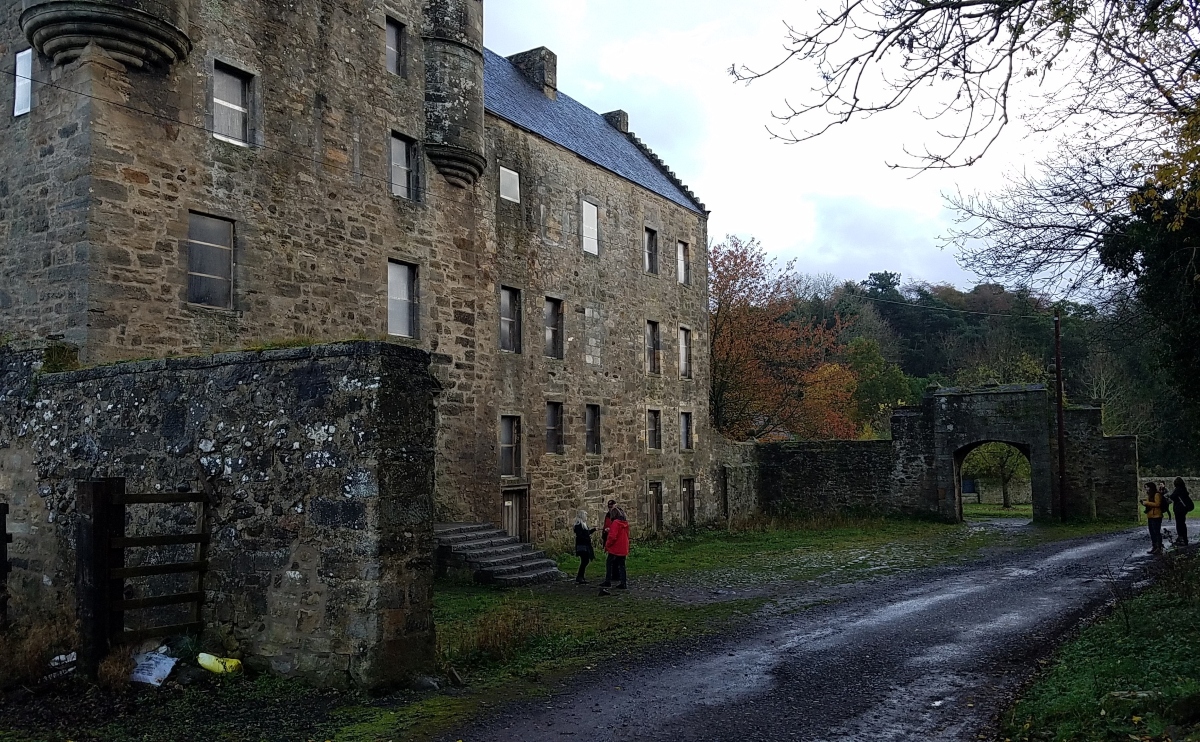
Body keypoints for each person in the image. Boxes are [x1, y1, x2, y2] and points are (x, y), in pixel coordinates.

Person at [599, 508, 629, 596]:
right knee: (622, 565)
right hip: (623, 547)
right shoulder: (625, 523)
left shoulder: (615, 523)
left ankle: (608, 581)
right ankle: (623, 582)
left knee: (609, 563)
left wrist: (607, 545)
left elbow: (612, 537)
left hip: (615, 547)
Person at [1169, 477, 1194, 548]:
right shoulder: (1184, 489)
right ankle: (1184, 539)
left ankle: (1181, 539)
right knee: (1182, 523)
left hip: (1179, 509)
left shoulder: (1178, 489)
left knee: (1179, 524)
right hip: (1184, 509)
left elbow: (1172, 496)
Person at [1142, 481, 1166, 555]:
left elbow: (1157, 504)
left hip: (1156, 515)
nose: (1146, 489)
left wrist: (1146, 503)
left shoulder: (1157, 494)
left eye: (1147, 487)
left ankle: (1159, 547)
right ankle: (1154, 546)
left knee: (1156, 532)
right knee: (1152, 532)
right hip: (1151, 515)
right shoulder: (1150, 495)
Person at [573, 510, 596, 584]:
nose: (586, 517)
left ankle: (581, 576)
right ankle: (580, 577)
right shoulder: (578, 525)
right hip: (582, 545)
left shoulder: (583, 525)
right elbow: (580, 536)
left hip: (585, 545)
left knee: (585, 561)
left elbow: (587, 533)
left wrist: (593, 530)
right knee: (585, 560)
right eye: (585, 516)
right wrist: (587, 539)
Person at [600, 500, 617, 587]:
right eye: (609, 507)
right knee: (612, 560)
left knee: (614, 560)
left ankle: (612, 578)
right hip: (608, 538)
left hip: (614, 540)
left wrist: (610, 530)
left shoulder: (617, 515)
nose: (610, 508)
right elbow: (606, 525)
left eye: (611, 506)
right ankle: (613, 577)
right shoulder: (608, 515)